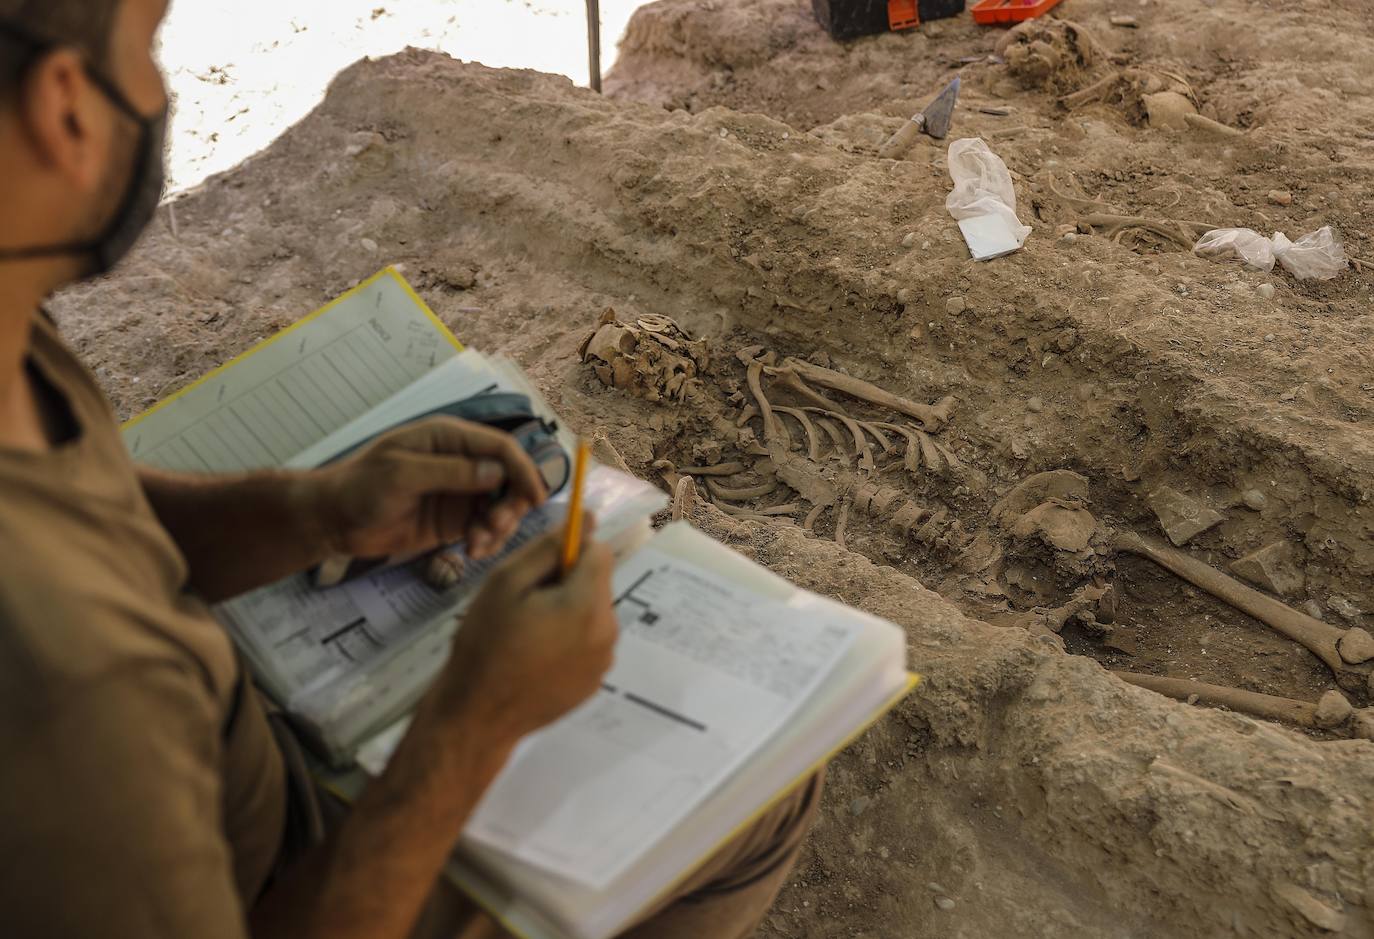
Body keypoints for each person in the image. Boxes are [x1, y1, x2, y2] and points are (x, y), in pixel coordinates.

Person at [0, 1, 822, 937]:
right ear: (65, 107)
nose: (162, 90)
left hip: (218, 756)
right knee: (764, 795)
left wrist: (310, 511)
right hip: (280, 876)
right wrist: (468, 732)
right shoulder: (63, 690)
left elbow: (86, 493)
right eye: (148, 48)